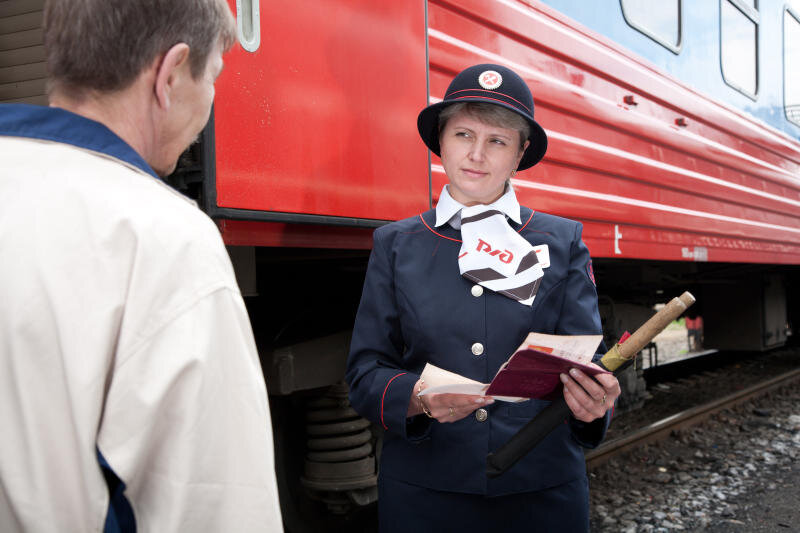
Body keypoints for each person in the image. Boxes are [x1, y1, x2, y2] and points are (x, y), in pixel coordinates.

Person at [0, 1, 283, 531]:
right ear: (170, 73)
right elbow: (215, 506)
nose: (211, 100)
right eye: (214, 77)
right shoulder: (165, 239)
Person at [346, 64, 621, 531]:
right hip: (425, 494)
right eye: (463, 135)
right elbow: (364, 372)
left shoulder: (563, 241)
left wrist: (597, 404)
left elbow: (585, 362)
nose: (476, 154)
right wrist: (417, 398)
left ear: (520, 153)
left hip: (540, 491)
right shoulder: (395, 244)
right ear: (441, 140)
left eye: (497, 141)